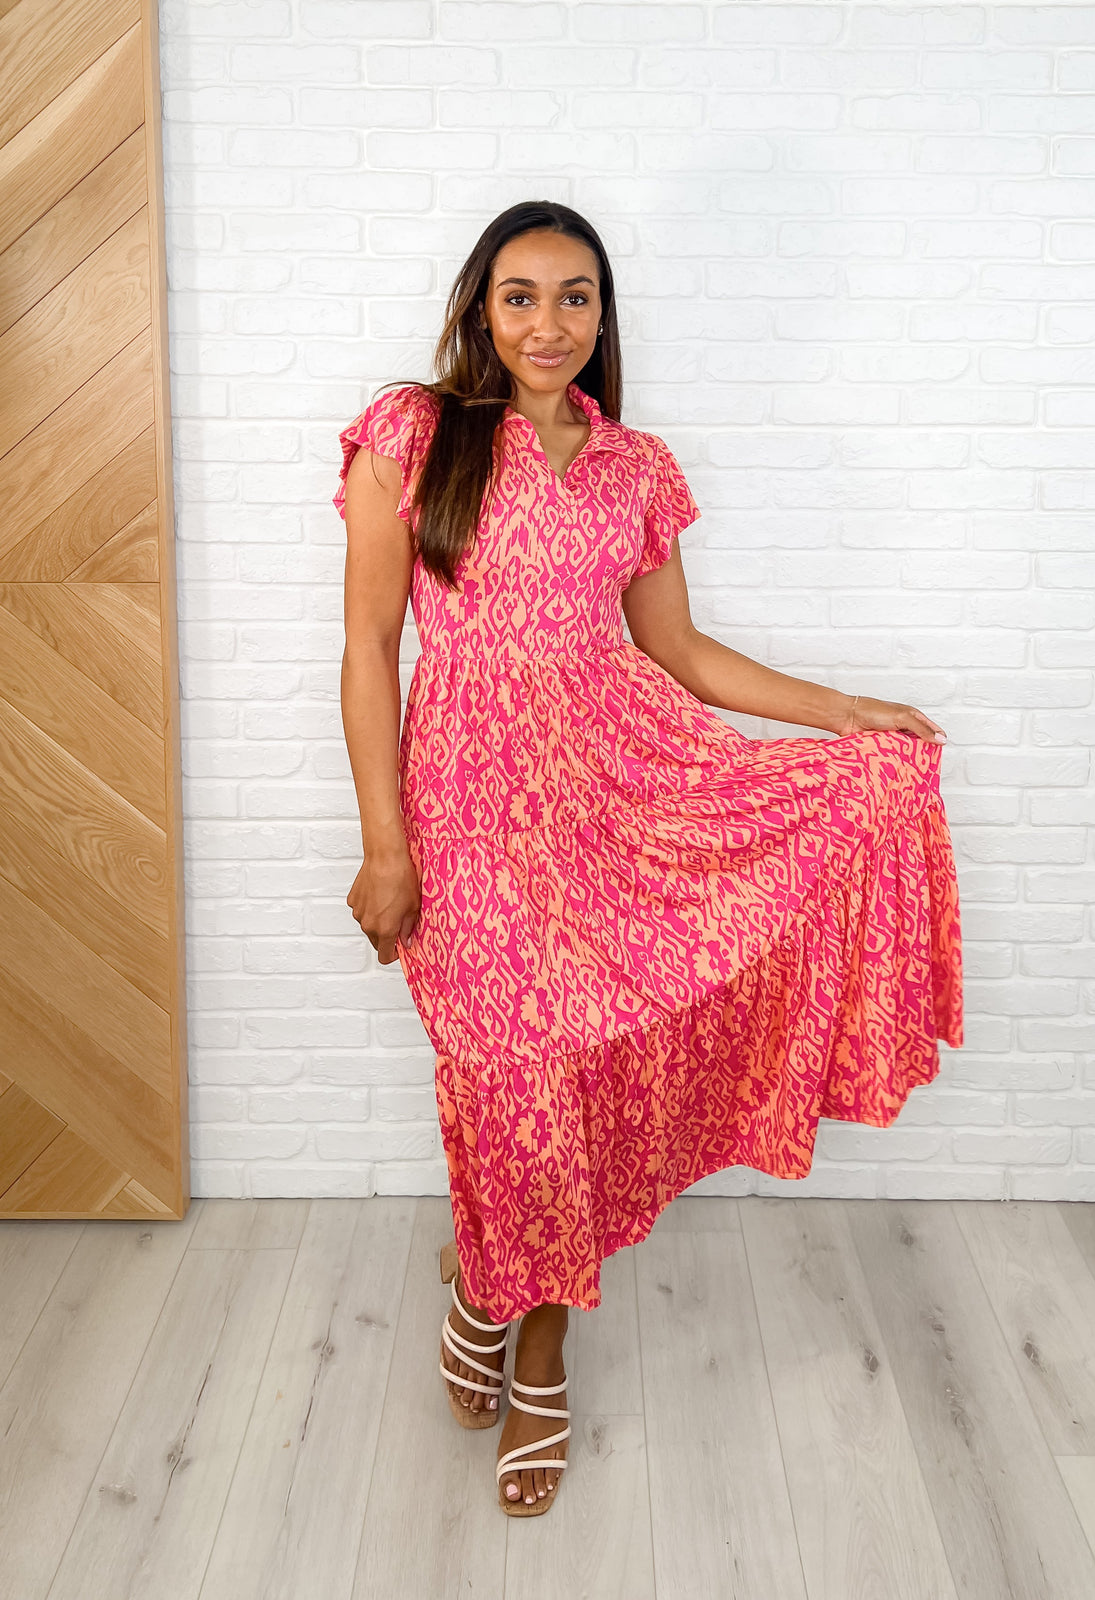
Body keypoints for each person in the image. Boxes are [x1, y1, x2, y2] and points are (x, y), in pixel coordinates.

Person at [334, 201, 964, 1518]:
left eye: (575, 297)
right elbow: (369, 649)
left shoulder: (637, 469)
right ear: (480, 309)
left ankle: (535, 1344)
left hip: (621, 791)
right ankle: (491, 1284)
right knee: (509, 1073)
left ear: (602, 315)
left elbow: (678, 652)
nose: (547, 323)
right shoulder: (412, 434)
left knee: (585, 1072)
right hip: (465, 807)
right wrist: (383, 845)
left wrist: (843, 711)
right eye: (520, 296)